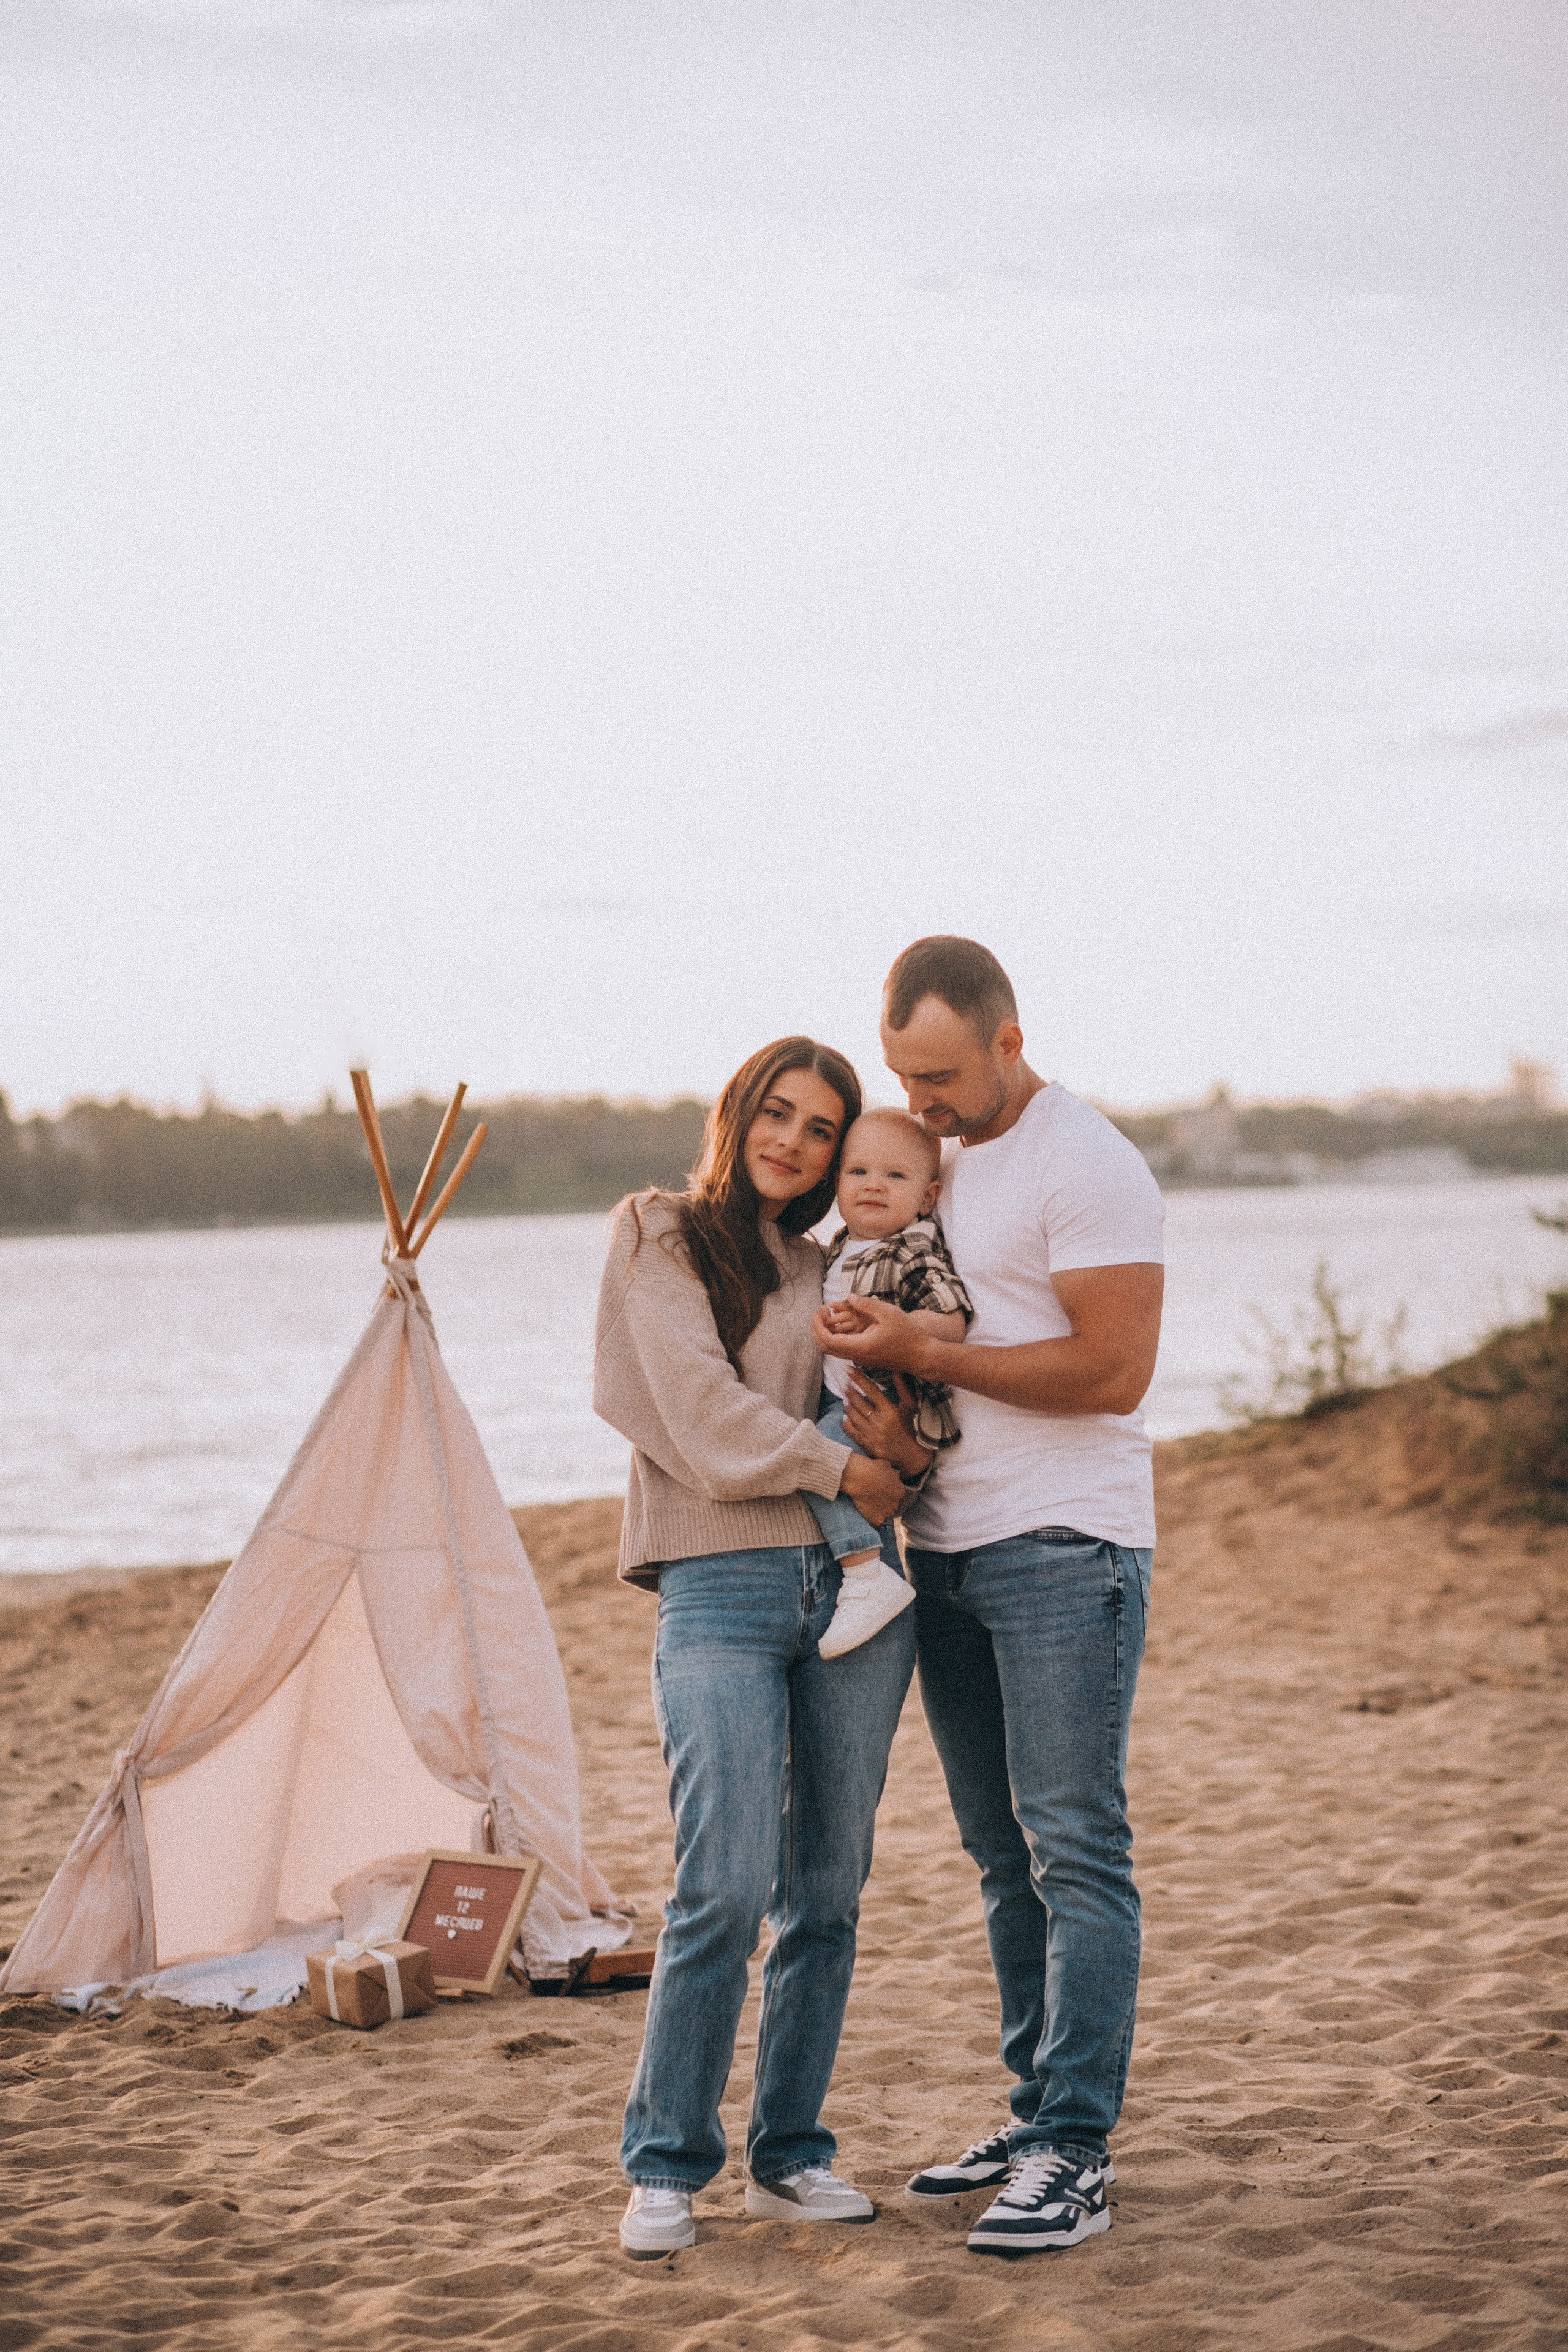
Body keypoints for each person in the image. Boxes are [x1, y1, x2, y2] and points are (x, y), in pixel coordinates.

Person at [814, 938, 1164, 2259]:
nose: (925, 1098)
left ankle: (1076, 2153)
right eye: (906, 1074)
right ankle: (1034, 2116)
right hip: (944, 1552)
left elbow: (1114, 1369)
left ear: (1008, 1042)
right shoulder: (941, 1156)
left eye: (943, 1073)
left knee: (1075, 1845)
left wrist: (924, 1348)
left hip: (1064, 1546)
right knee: (999, 1855)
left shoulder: (1087, 1162)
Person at [593, 1035, 929, 2259]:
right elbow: (691, 1407)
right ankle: (667, 2165)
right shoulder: (658, 1231)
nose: (793, 1139)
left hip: (861, 1599)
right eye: (776, 1112)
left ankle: (787, 2160)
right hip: (721, 1586)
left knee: (826, 1896)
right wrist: (838, 1464)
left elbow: (900, 1422)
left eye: (821, 1126)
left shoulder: (848, 1258)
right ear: (738, 1111)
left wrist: (895, 1442)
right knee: (720, 1887)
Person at [802, 1106, 972, 1659]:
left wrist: (890, 1326)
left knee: (818, 1456)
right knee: (822, 1460)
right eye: (859, 1173)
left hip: (880, 1401)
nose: (874, 1184)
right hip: (840, 1395)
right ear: (836, 1182)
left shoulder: (913, 1248)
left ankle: (865, 1574)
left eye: (896, 1176)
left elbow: (952, 1318)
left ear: (926, 1197)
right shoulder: (835, 1247)